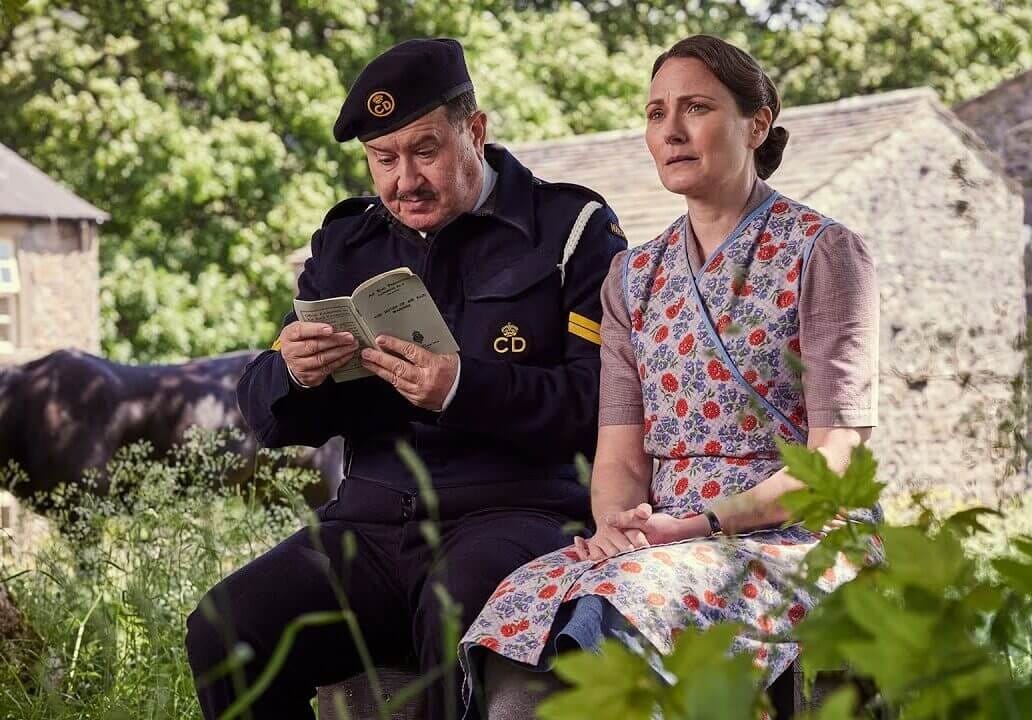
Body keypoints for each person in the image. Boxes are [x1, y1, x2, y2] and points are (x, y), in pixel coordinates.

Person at [183, 38, 627, 720]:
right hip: (368, 523)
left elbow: (598, 402)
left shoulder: (571, 230)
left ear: (473, 131)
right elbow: (266, 419)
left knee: (456, 620)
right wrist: (293, 375)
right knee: (223, 626)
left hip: (515, 514)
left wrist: (461, 389)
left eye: (424, 151)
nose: (402, 180)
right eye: (381, 159)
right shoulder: (345, 244)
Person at [460, 34, 881, 718]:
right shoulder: (632, 277)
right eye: (656, 113)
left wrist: (699, 526)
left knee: (616, 610)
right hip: (659, 538)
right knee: (518, 620)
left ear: (757, 122)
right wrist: (617, 526)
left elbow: (833, 461)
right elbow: (620, 451)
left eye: (695, 108)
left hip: (792, 536)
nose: (671, 130)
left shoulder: (822, 252)